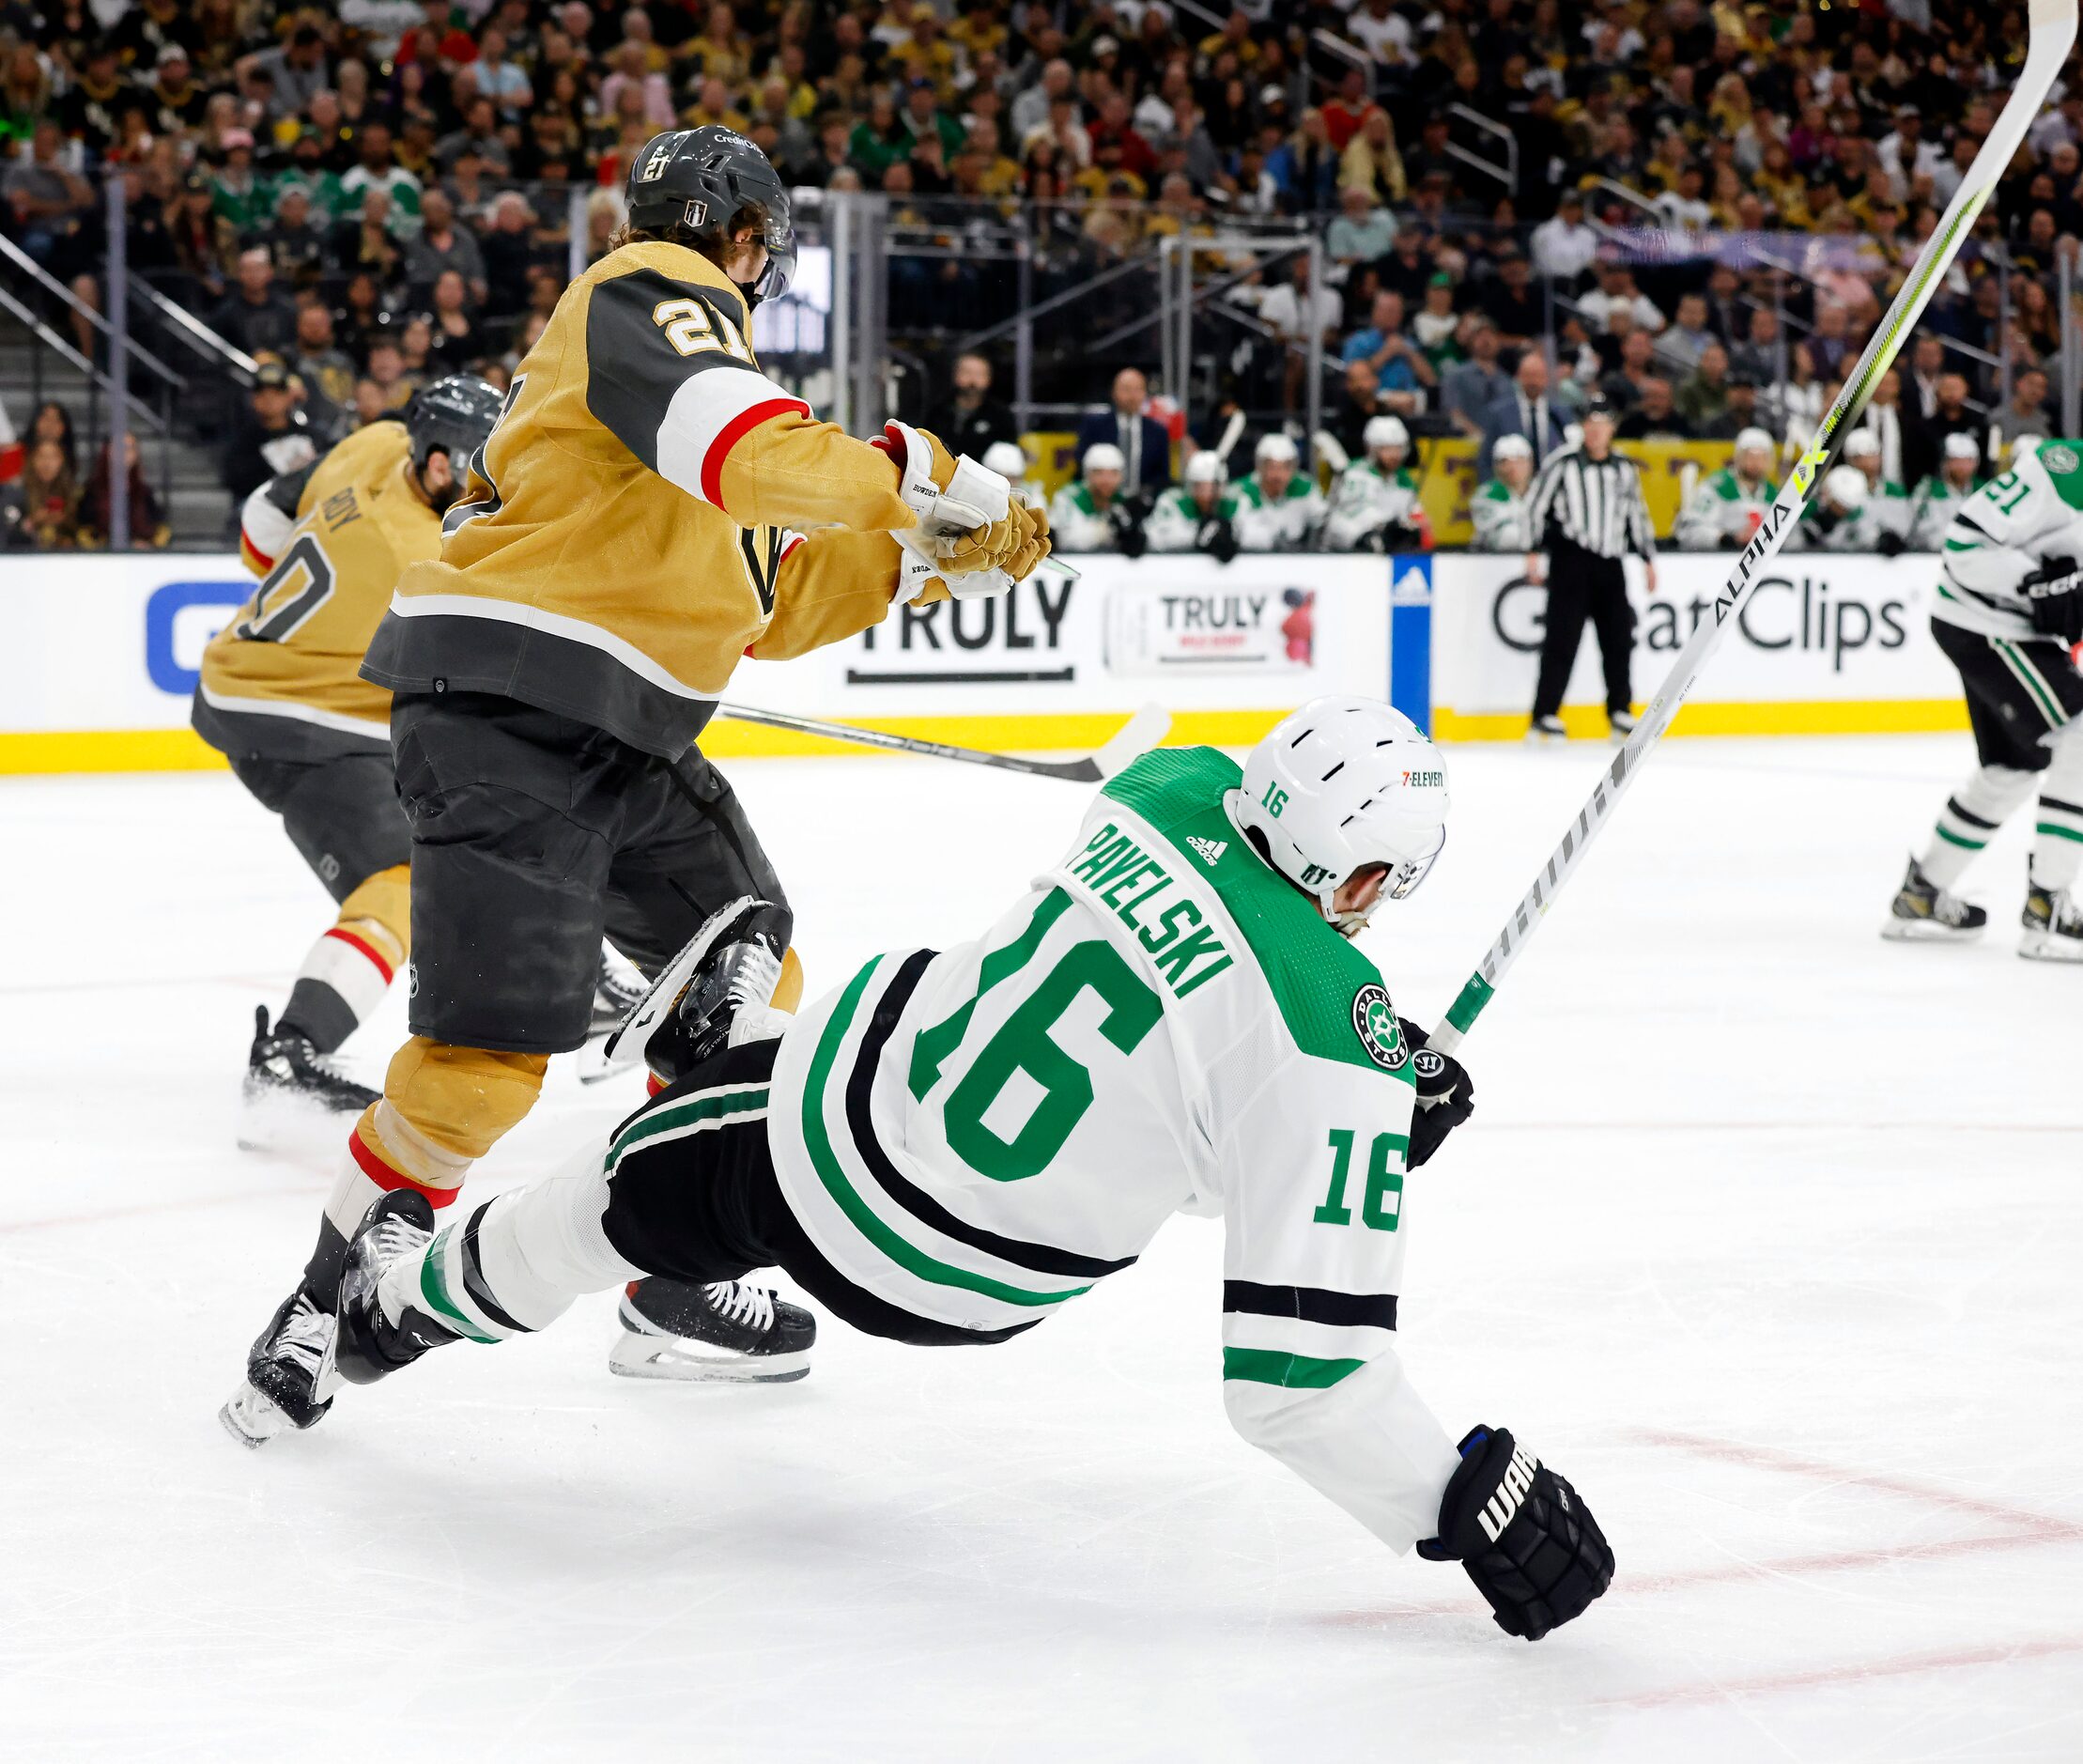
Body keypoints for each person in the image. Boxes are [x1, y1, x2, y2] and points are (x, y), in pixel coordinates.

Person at [309, 698, 1616, 1645]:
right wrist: (1461, 1498)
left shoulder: (1166, 788)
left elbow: (1200, 896)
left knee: (602, 1204)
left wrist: (1367, 1090)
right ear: (1375, 873)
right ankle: (731, 1046)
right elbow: (1298, 1375)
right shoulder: (1329, 1040)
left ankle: (394, 1308)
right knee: (725, 1144)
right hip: (970, 1283)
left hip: (824, 1134)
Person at [222, 127, 1052, 1447]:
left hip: (611, 731)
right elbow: (759, 457)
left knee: (750, 969)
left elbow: (761, 596)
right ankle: (323, 1306)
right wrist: (921, 478)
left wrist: (925, 565)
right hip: (517, 719)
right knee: (488, 1062)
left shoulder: (668, 390)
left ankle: (676, 1273)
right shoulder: (646, 291)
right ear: (735, 229)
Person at [193, 380, 501, 1137]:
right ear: (435, 458)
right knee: (401, 880)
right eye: (470, 472)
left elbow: (261, 529)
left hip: (256, 679)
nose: (480, 490)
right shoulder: (423, 555)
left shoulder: (375, 442)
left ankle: (536, 970)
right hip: (299, 722)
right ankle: (290, 1051)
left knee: (449, 828)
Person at [1881, 436, 2083, 960]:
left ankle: (1921, 894)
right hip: (1984, 624)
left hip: (2009, 631)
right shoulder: (2064, 470)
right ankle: (2049, 909)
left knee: (2014, 767)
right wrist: (2033, 584)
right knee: (2079, 735)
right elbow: (1966, 541)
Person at [1522, 396, 1656, 743]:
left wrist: (1647, 558)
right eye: (1591, 424)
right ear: (1583, 427)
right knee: (1561, 639)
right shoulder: (1562, 463)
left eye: (1603, 424)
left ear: (1612, 428)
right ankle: (1545, 714)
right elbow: (1535, 506)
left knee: (1618, 639)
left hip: (1611, 562)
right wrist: (1532, 550)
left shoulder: (1624, 467)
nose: (1596, 431)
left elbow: (1636, 515)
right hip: (1572, 560)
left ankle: (1619, 710)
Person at [1322, 415, 1429, 552]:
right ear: (1372, 449)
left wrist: (1412, 528)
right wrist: (1386, 527)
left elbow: (1415, 515)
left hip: (1385, 549)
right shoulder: (1356, 473)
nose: (1394, 455)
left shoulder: (1404, 480)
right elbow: (1353, 514)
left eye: (1398, 448)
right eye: (1387, 449)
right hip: (1346, 550)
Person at [1674, 427, 1779, 551]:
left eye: (1761, 457)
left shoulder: (1774, 493)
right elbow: (1691, 531)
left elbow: (1793, 539)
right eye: (1749, 456)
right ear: (1738, 457)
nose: (1755, 463)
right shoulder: (1717, 486)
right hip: (1719, 560)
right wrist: (1727, 539)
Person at [1074, 367, 1171, 494]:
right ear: (1113, 392)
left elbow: (1162, 476)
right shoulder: (1095, 425)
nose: (1132, 396)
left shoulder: (1158, 431)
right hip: (1099, 500)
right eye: (1126, 389)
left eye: (1138, 390)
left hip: (1142, 504)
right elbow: (1082, 463)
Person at [1479, 349, 1567, 475]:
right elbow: (1486, 460)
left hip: (1552, 488)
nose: (1533, 381)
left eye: (1538, 375)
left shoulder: (1561, 414)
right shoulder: (1499, 414)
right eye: (1528, 375)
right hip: (1511, 490)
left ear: (1546, 379)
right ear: (1518, 377)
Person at [1233, 433, 1325, 551]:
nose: (1278, 475)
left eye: (1285, 467)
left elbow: (1323, 522)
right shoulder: (1243, 490)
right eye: (1272, 467)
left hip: (1296, 560)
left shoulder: (1306, 487)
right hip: (1253, 560)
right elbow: (1239, 533)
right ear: (1260, 467)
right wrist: (1270, 539)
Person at [1144, 450, 1239, 558]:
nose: (1209, 495)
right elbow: (1154, 540)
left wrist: (1230, 538)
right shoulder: (1171, 501)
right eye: (1200, 486)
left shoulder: (1235, 502)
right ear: (1190, 486)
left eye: (1214, 487)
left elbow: (1255, 536)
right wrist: (1195, 536)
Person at [0, 436, 83, 549]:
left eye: (53, 457)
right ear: (31, 459)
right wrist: (33, 522)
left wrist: (66, 523)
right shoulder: (13, 492)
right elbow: (6, 536)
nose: (47, 463)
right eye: (41, 456)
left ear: (62, 461)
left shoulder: (73, 493)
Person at [1906, 433, 1985, 550]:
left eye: (1968, 461)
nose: (1962, 467)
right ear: (1946, 463)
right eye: (1956, 461)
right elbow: (1913, 528)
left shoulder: (1984, 490)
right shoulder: (1927, 490)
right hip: (1930, 556)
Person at [1048, 441, 1131, 551]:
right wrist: (1104, 530)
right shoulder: (1068, 497)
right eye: (1099, 473)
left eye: (1113, 473)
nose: (1106, 480)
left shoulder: (1125, 500)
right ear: (1087, 474)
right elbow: (1063, 539)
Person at [946, 352, 1019, 458]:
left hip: (985, 472)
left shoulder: (1000, 415)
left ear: (989, 378)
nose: (973, 380)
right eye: (967, 373)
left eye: (979, 374)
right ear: (955, 375)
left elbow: (1008, 456)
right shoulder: (938, 411)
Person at [1470, 434, 1535, 552]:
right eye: (1505, 462)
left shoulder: (1541, 491)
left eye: (1519, 461)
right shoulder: (1486, 494)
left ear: (1530, 463)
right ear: (1496, 466)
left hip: (1537, 559)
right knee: (1510, 533)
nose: (1512, 467)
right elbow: (1504, 539)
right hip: (1492, 558)